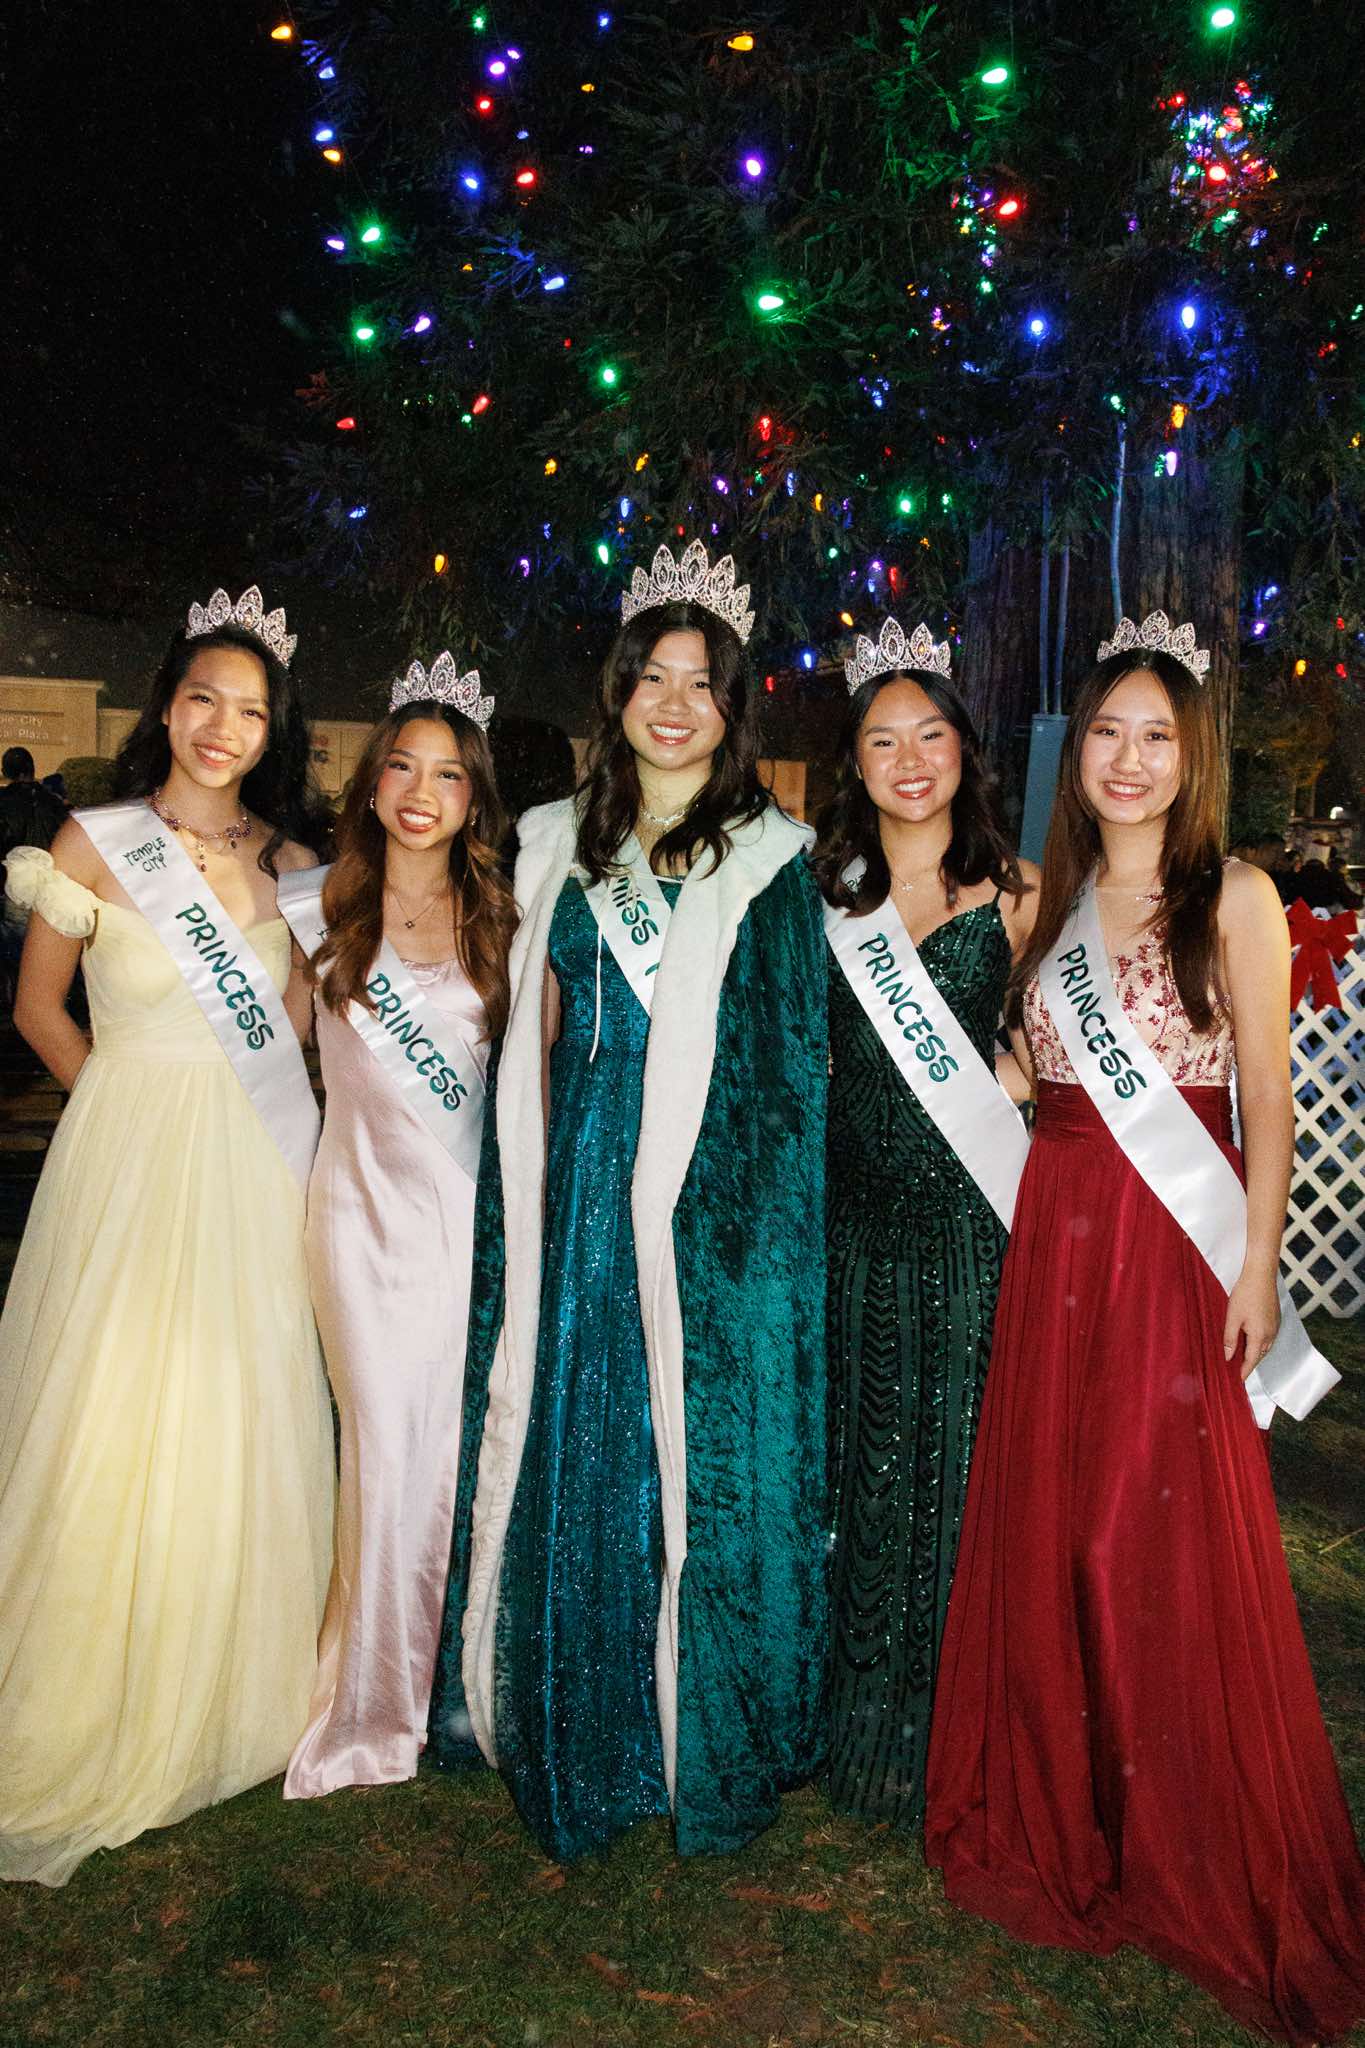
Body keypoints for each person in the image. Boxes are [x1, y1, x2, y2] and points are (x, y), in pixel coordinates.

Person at [925, 613, 1365, 2043]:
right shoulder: (1046, 895)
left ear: (1192, 758)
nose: (1128, 759)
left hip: (1169, 1257)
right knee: (1059, 1531)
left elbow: (1268, 1097)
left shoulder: (1234, 895)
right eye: (1107, 732)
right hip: (1056, 1240)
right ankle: (1071, 1810)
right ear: (1079, 754)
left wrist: (1258, 1265)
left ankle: (1175, 1828)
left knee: (1140, 1537)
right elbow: (1028, 1065)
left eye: (1156, 736)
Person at [429, 540, 829, 1862]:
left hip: (703, 1196)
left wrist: (744, 1229)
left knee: (680, 1448)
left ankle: (677, 1729)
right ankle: (577, 1713)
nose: (674, 703)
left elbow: (785, 1069)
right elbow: (531, 1032)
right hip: (582, 1174)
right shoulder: (554, 838)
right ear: (618, 692)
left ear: (733, 707)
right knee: (579, 1424)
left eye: (701, 683)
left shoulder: (772, 856)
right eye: (653, 676)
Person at [0, 586, 335, 1885]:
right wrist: (118, 1114)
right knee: (105, 1405)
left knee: (229, 1407)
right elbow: (38, 1009)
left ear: (271, 731)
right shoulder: (94, 840)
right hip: (123, 1158)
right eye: (203, 698)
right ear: (168, 704)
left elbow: (297, 1031)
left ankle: (223, 1679)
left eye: (249, 711)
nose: (221, 727)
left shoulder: (290, 863)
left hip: (248, 1163)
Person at [811, 617, 1037, 1831]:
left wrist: (1024, 1075)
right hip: (850, 1222)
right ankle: (853, 1715)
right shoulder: (814, 892)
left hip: (965, 1226)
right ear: (854, 760)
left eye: (930, 734)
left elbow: (1064, 1055)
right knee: (860, 1459)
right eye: (883, 739)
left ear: (964, 748)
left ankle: (949, 1721)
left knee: (951, 1465)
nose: (909, 759)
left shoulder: (1020, 895)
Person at [280, 654, 515, 1798]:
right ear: (371, 783)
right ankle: (370, 1704)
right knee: (381, 1448)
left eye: (448, 774)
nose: (422, 792)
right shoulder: (313, 903)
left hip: (459, 1222)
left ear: (474, 798)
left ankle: (440, 1682)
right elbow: (276, 1063)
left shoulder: (504, 920)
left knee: (446, 1451)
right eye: (403, 768)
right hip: (356, 1221)